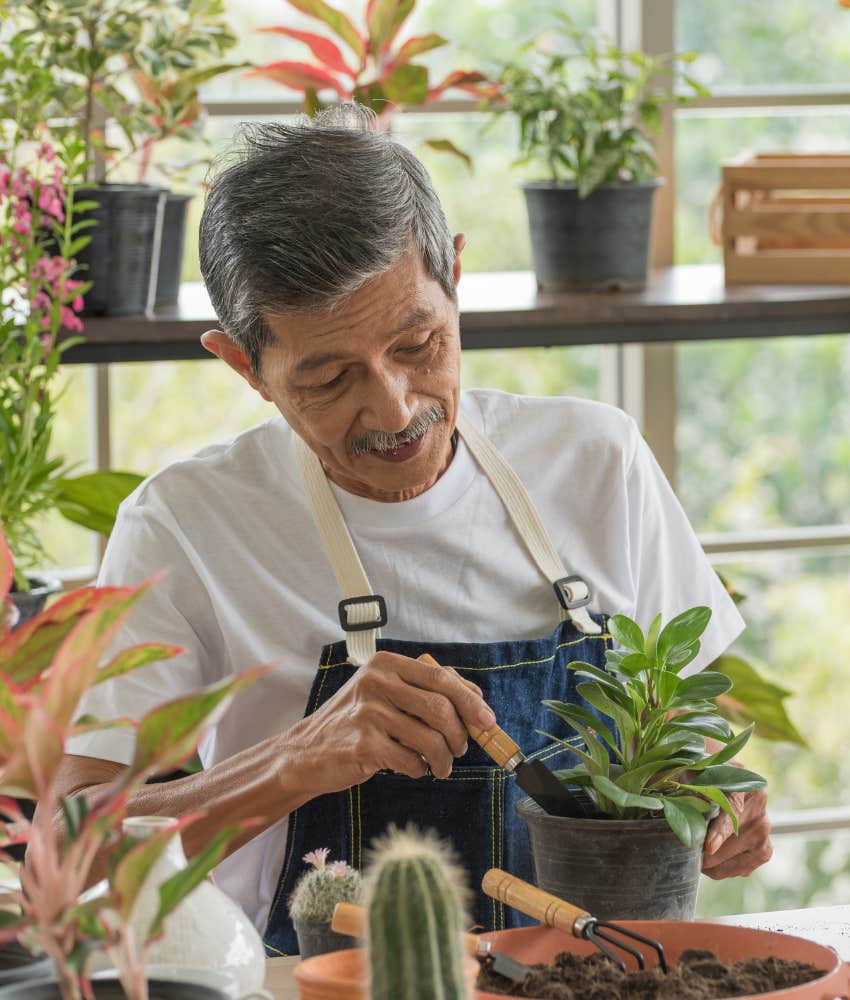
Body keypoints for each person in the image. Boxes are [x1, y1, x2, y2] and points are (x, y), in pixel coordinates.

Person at [58, 105, 771, 955]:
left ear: (457, 276)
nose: (395, 409)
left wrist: (717, 800)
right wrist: (296, 759)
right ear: (244, 366)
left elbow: (696, 727)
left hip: (599, 977)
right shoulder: (184, 525)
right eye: (327, 377)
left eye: (418, 343)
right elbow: (69, 853)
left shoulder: (597, 460)